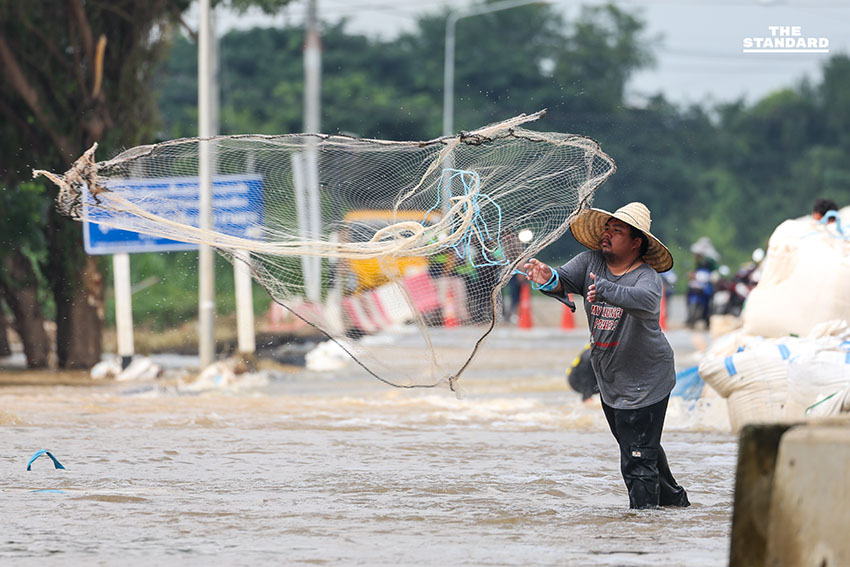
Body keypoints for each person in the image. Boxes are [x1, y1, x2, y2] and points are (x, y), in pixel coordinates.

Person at [524, 202, 690, 509]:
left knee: (636, 460)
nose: (607, 234)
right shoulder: (591, 261)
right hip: (610, 378)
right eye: (607, 228)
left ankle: (642, 526)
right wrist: (547, 277)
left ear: (636, 242)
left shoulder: (646, 277)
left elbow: (645, 300)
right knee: (638, 447)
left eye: (617, 231)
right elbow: (563, 280)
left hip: (646, 379)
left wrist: (605, 290)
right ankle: (675, 505)